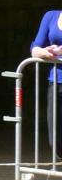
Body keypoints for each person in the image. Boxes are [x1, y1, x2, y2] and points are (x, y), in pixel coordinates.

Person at [29, 10, 62, 158]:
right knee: (55, 138)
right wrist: (43, 52)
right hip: (56, 81)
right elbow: (35, 47)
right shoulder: (51, 16)